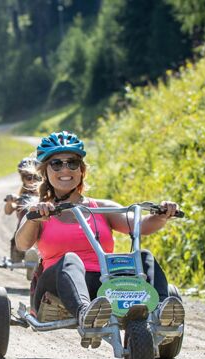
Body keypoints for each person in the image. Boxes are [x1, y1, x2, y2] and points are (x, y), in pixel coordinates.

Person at [15, 130, 184, 329]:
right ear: (45, 171)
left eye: (72, 163)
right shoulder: (39, 211)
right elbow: (22, 244)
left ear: (81, 171)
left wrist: (162, 215)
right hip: (57, 287)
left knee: (144, 257)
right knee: (70, 259)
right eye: (56, 164)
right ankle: (85, 313)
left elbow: (142, 225)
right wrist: (35, 218)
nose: (65, 169)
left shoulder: (101, 208)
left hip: (105, 284)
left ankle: (161, 310)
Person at [4, 157, 42, 262]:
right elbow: (8, 211)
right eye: (28, 177)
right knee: (17, 248)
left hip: (43, 233)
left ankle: (34, 254)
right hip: (22, 234)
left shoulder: (46, 196)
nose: (32, 180)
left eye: (36, 177)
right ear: (23, 179)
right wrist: (10, 201)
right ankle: (26, 253)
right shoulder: (20, 197)